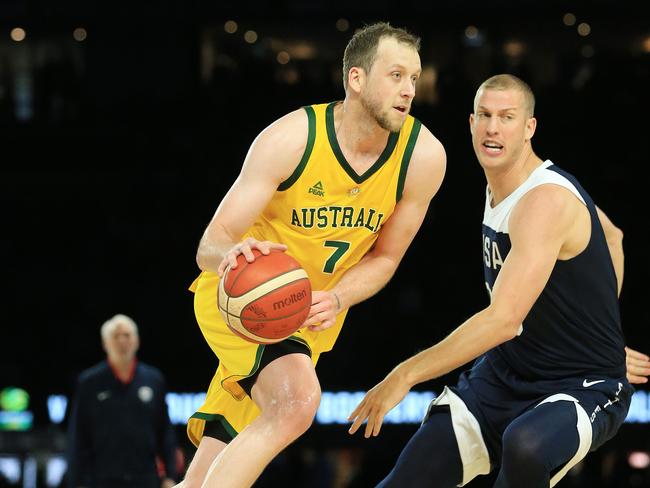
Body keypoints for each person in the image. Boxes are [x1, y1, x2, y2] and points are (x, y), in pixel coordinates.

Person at [178, 22, 446, 488]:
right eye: (396, 75)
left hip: (306, 322)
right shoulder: (292, 138)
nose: (409, 89)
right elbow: (209, 245)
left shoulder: (423, 156)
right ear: (356, 79)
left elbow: (385, 259)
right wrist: (233, 253)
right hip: (241, 299)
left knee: (212, 461)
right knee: (297, 403)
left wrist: (339, 297)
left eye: (414, 77)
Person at [348, 74, 650, 487]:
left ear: (529, 128)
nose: (493, 127)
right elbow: (611, 237)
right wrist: (606, 329)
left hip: (579, 384)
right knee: (411, 473)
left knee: (525, 446)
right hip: (505, 373)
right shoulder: (502, 185)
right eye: (485, 116)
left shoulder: (545, 200)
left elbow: (504, 319)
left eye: (507, 117)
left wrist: (403, 375)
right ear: (471, 124)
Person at [67, 314, 178, 488]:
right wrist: (77, 481)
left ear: (137, 341)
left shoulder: (154, 379)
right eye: (115, 336)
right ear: (105, 343)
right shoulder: (89, 382)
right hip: (101, 479)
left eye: (127, 335)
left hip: (146, 478)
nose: (122, 341)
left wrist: (170, 476)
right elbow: (78, 435)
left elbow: (165, 431)